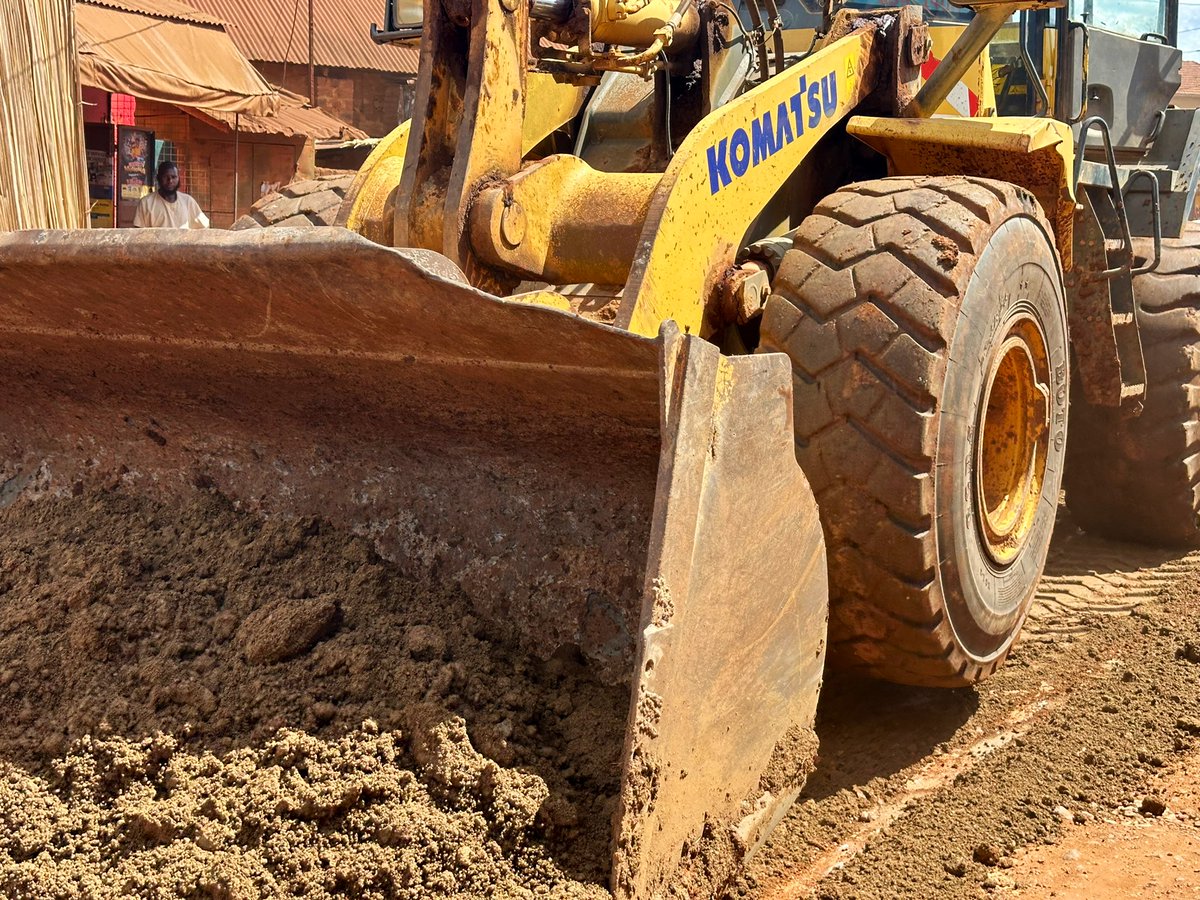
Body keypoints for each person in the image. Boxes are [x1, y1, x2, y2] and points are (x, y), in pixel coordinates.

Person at [133, 161, 210, 229]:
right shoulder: (146, 203)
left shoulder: (188, 201)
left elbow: (204, 227)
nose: (170, 181)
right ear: (158, 178)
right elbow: (138, 234)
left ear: (179, 178)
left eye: (174, 177)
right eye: (166, 177)